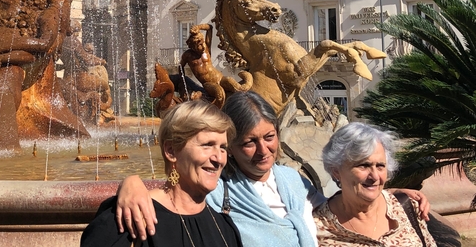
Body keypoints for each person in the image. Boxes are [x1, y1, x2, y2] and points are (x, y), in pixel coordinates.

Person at [116, 92, 430, 247]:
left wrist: (386, 194)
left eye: (270, 137)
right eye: (249, 143)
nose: (264, 150)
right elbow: (177, 192)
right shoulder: (217, 190)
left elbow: (336, 204)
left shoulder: (295, 182)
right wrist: (131, 184)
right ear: (232, 146)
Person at [81, 101, 243, 247]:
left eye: (223, 147)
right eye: (207, 145)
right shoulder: (131, 216)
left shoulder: (224, 227)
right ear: (171, 151)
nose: (219, 158)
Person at [314, 123, 436, 246]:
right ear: (336, 171)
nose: (375, 176)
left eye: (380, 166)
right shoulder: (316, 228)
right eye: (364, 165)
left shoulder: (407, 207)